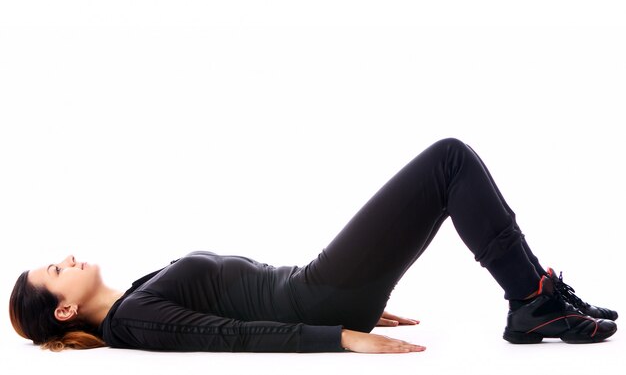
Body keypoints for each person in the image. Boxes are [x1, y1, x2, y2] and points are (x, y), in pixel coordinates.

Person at [9, 138, 618, 353]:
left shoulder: (136, 299)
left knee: (444, 173)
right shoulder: (136, 320)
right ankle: (536, 302)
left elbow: (236, 307)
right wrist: (341, 333)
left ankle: (539, 295)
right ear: (63, 310)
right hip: (318, 296)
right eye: (55, 271)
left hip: (321, 289)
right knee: (447, 162)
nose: (66, 257)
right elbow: (228, 337)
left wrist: (356, 302)